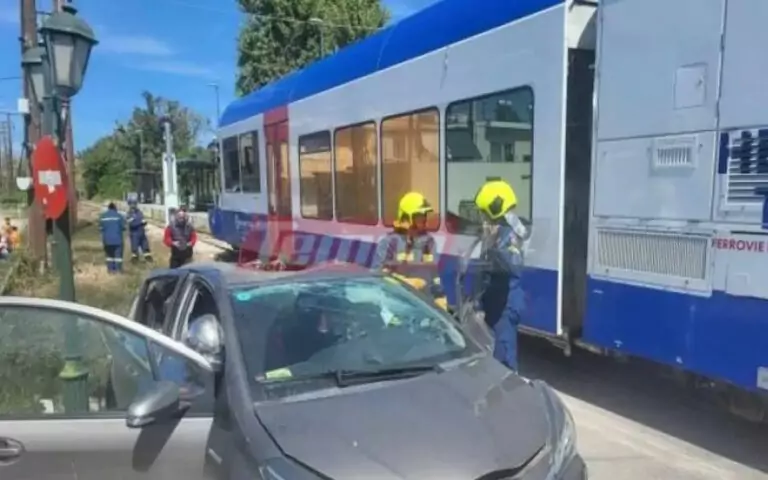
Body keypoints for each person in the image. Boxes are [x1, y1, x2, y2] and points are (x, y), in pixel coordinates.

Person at [473, 179, 529, 371]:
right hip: (492, 304)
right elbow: (483, 270)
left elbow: (513, 265)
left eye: (483, 212)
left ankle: (510, 390)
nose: (481, 216)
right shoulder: (494, 232)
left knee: (504, 360)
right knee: (489, 355)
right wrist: (477, 304)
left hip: (504, 306)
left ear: (494, 208)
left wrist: (493, 245)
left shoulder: (511, 233)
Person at [372, 191, 448, 311]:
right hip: (396, 307)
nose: (424, 220)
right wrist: (405, 283)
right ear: (407, 217)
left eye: (425, 215)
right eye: (419, 216)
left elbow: (434, 276)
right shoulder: (390, 243)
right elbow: (379, 276)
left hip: (423, 308)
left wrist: (440, 298)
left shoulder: (429, 242)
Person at [99, 202, 126, 274]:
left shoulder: (103, 216)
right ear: (115, 208)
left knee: (109, 256)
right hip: (117, 240)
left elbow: (101, 228)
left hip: (107, 240)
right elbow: (123, 227)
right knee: (118, 256)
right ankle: (118, 270)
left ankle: (110, 270)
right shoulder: (119, 216)